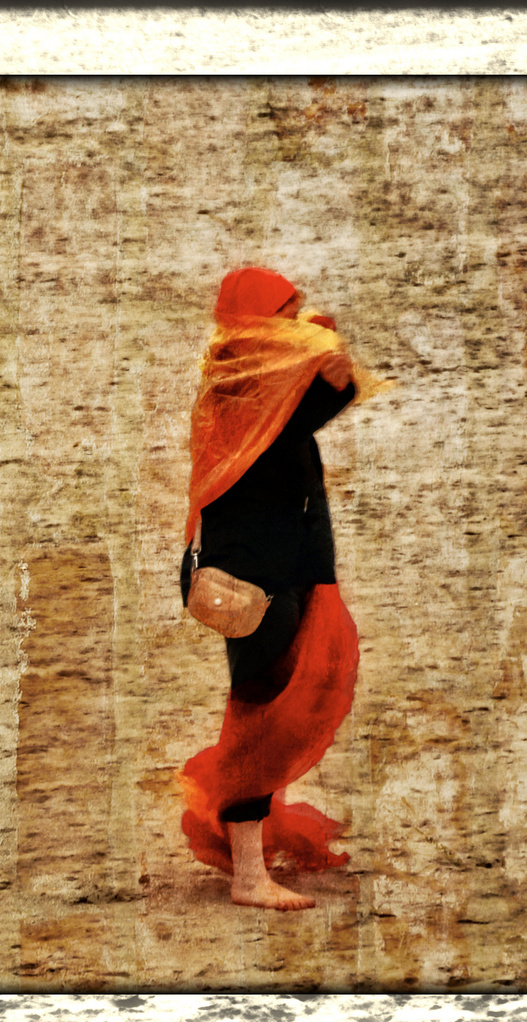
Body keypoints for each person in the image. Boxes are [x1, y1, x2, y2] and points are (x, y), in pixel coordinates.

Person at [178, 267, 387, 910]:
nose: (297, 327)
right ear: (258, 323)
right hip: (254, 581)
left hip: (281, 574)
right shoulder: (246, 388)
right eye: (286, 316)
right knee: (257, 721)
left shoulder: (258, 383)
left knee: (271, 717)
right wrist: (332, 365)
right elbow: (319, 405)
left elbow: (316, 406)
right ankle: (247, 878)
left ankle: (250, 862)